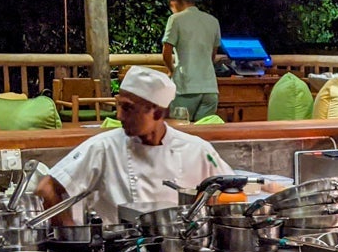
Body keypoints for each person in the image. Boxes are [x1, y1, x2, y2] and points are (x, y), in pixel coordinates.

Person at [37, 66, 232, 225]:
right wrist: (69, 232)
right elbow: (47, 188)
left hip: (179, 250)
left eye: (128, 108)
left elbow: (232, 190)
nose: (119, 116)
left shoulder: (197, 150)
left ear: (158, 113)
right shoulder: (104, 148)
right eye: (119, 105)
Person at [161, 0, 223, 122]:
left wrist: (172, 70)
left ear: (174, 2)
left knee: (181, 129)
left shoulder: (175, 19)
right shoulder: (213, 21)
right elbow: (213, 55)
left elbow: (166, 53)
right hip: (210, 88)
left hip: (185, 86)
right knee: (204, 129)